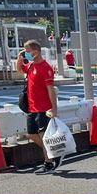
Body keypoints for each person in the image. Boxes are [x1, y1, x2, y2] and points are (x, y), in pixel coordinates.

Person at [15, 40, 62, 172]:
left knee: (42, 134)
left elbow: (50, 89)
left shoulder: (46, 68)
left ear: (36, 51)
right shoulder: (30, 66)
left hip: (44, 108)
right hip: (32, 107)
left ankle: (48, 162)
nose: (26, 54)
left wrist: (54, 107)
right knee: (31, 135)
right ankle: (54, 152)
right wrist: (19, 58)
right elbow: (19, 70)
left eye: (28, 51)